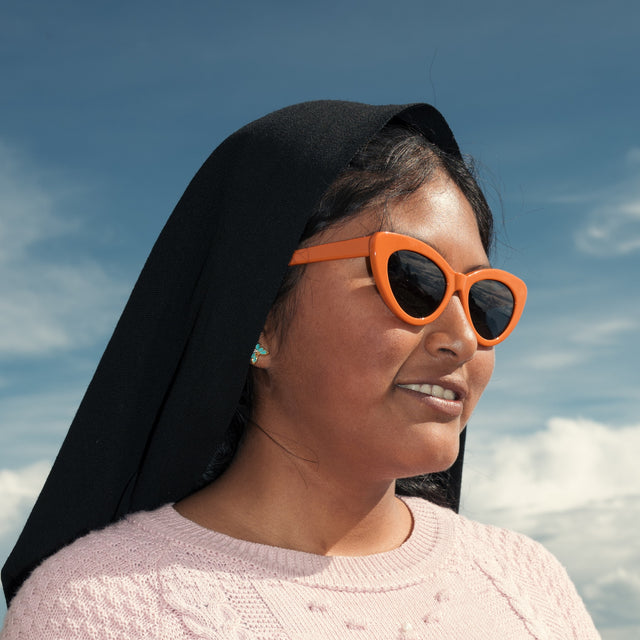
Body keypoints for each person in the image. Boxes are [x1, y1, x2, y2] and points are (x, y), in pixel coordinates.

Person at [0, 100, 599, 639]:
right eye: (415, 279)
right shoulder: (100, 613)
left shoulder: (528, 581)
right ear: (255, 319)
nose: (464, 338)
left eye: (485, 301)